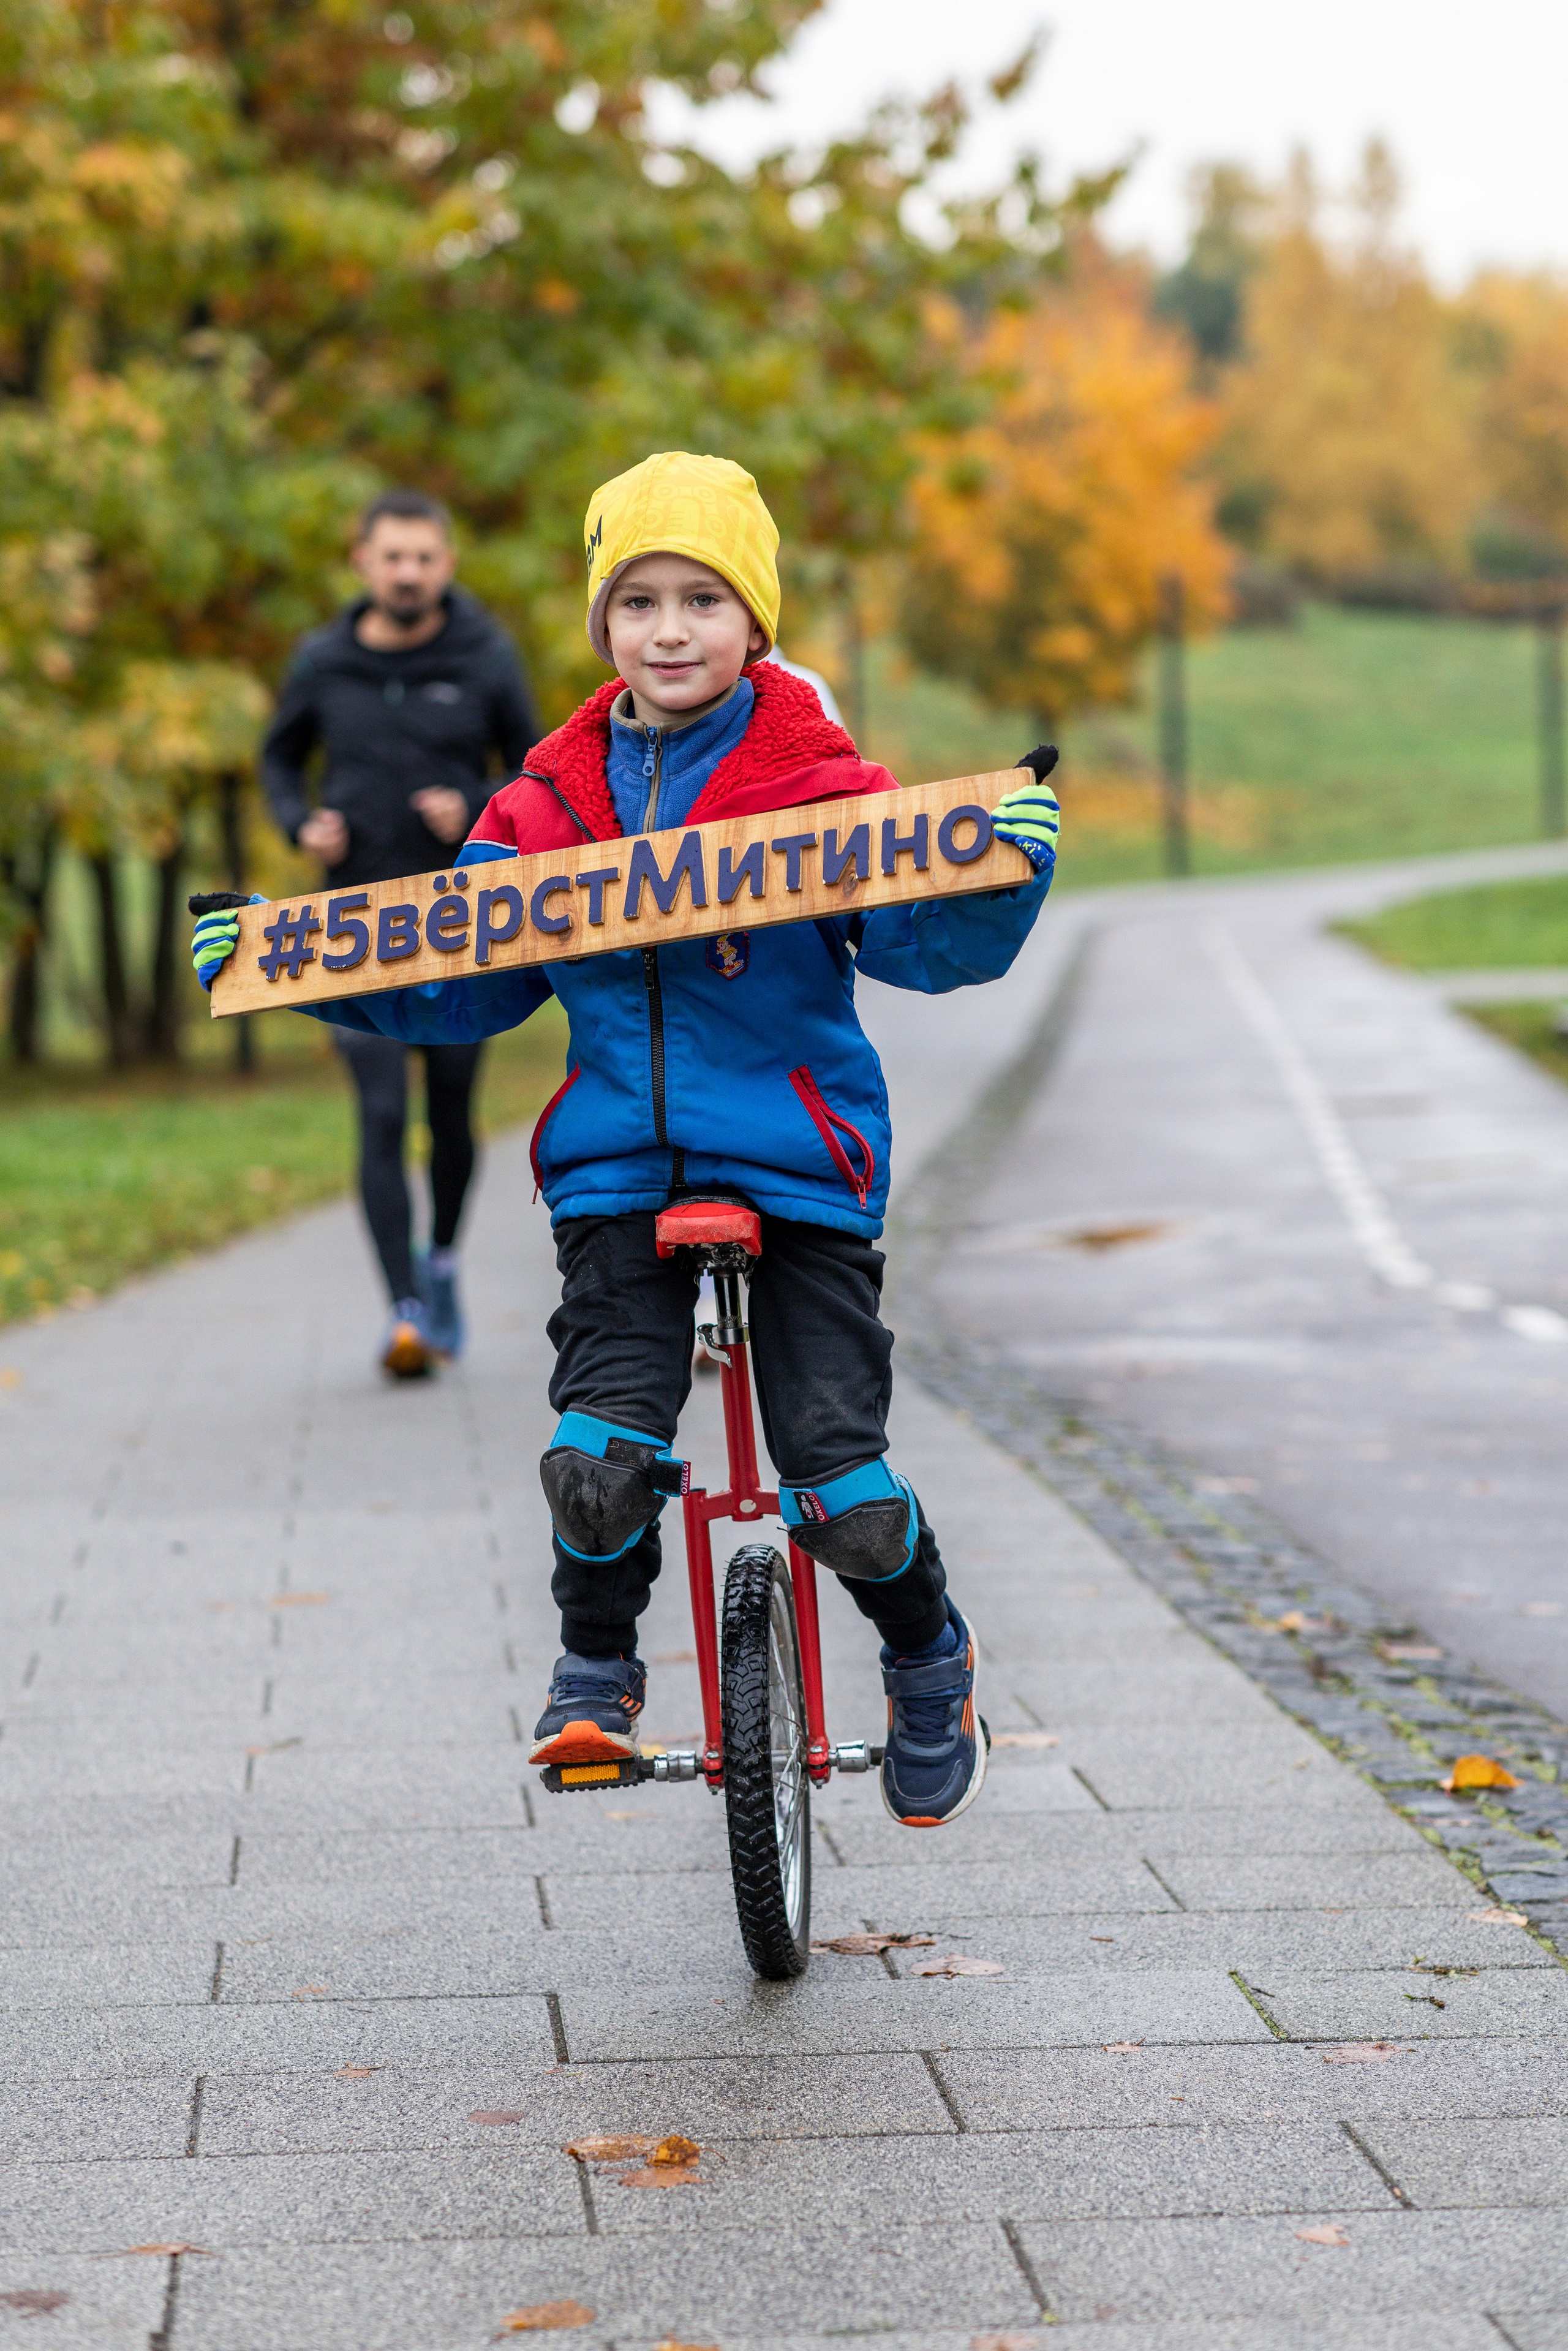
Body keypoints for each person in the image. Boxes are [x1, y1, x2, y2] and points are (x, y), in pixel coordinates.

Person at [195, 451, 1060, 1827]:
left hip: (797, 1166)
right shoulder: (542, 809)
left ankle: (925, 1654)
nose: (670, 629)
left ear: (754, 623)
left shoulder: (821, 785)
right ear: (602, 626)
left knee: (838, 1478)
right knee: (598, 1456)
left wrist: (1005, 871)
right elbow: (464, 974)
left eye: (704, 599)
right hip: (615, 1172)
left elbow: (921, 944)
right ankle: (595, 1665)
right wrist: (296, 961)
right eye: (639, 599)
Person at [260, 488, 539, 1376]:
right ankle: (405, 1312)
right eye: (393, 557)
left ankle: (445, 1259)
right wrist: (299, 822)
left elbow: (536, 771)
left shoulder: (487, 656)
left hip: (459, 929)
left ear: (447, 565)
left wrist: (476, 808)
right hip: (350, 931)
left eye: (425, 557)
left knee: (451, 1116)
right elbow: (277, 757)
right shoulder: (323, 661)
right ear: (364, 563)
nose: (409, 572)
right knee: (381, 1114)